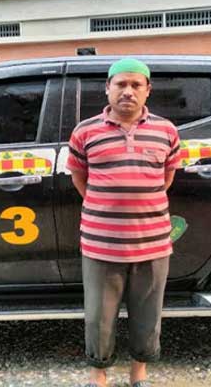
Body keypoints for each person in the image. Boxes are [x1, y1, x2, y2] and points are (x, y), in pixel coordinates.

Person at [66, 58, 181, 387]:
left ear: (148, 90)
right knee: (98, 317)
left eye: (135, 85)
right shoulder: (85, 131)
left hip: (152, 243)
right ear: (107, 88)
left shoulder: (166, 131)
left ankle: (138, 373)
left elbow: (167, 177)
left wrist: (139, 202)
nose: (127, 91)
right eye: (120, 84)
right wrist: (107, 205)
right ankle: (98, 374)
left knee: (148, 315)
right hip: (101, 243)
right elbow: (79, 178)